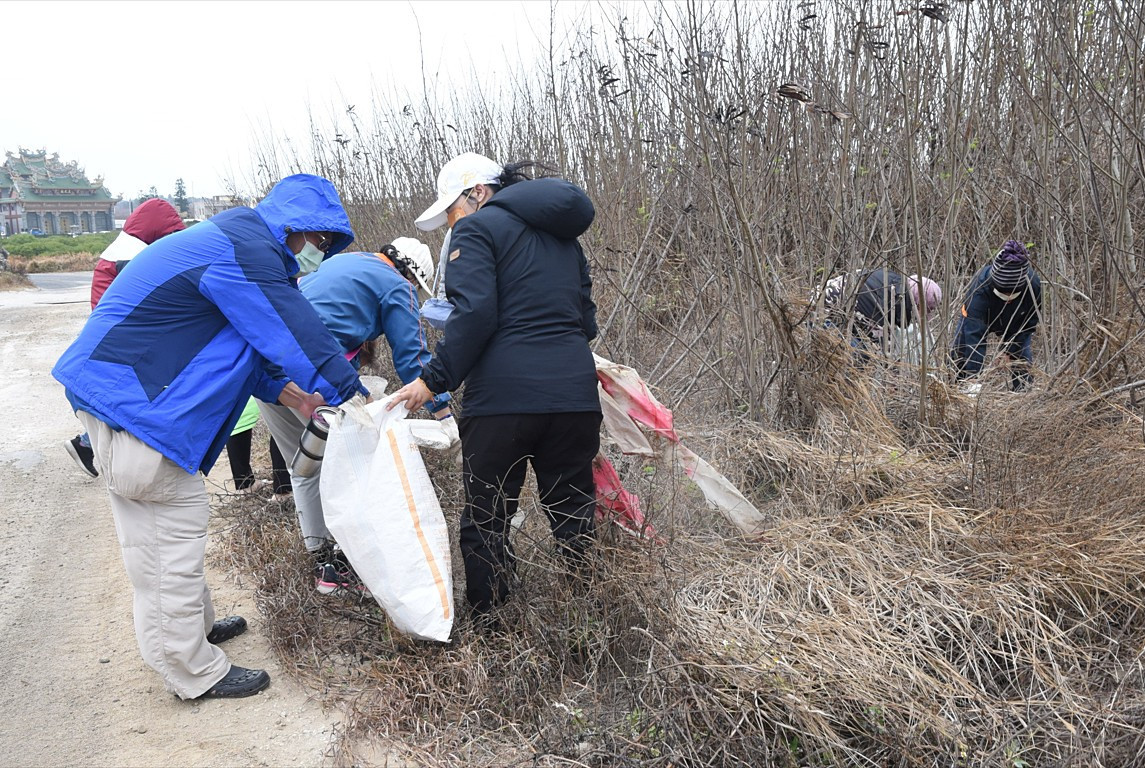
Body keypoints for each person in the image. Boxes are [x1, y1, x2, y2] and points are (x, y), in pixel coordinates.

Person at [52, 174, 370, 701]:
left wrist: (294, 396)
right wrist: (350, 394)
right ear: (297, 226)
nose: (319, 253)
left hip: (133, 398)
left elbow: (246, 342)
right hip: (136, 405)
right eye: (319, 241)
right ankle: (192, 670)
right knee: (166, 536)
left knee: (168, 530)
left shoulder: (235, 242)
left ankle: (191, 630)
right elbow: (292, 332)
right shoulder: (244, 248)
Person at [389, 152, 602, 626]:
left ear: (478, 193)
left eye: (452, 210)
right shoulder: (564, 240)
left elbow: (476, 316)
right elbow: (585, 321)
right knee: (573, 513)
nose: (450, 222)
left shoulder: (477, 230)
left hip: (504, 403)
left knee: (487, 518)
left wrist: (433, 380)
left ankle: (494, 631)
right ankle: (590, 619)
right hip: (574, 396)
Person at [258, 236, 456, 594]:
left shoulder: (344, 263)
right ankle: (344, 566)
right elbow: (412, 360)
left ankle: (322, 564)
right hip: (310, 380)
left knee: (304, 470)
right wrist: (443, 412)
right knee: (353, 471)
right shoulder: (397, 284)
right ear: (412, 276)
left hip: (268, 376)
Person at [65, 198, 186, 478]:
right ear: (157, 232)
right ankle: (87, 445)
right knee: (130, 396)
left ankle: (86, 444)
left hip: (114, 332)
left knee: (121, 394)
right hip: (123, 336)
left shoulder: (122, 253)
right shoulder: (131, 259)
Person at [951, 239, 1042, 391]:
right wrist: (973, 375)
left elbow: (1028, 324)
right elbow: (974, 336)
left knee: (1022, 360)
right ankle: (957, 390)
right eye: (1002, 294)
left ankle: (1022, 395)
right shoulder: (979, 289)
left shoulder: (1033, 286)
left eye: (1011, 295)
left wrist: (1009, 351)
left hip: (1015, 321)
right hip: (981, 317)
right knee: (961, 352)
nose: (1006, 300)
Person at [817, 268, 942, 347]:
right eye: (924, 311)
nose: (916, 318)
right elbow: (879, 352)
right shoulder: (891, 303)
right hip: (821, 318)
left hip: (812, 303)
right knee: (862, 354)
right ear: (918, 303)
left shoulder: (890, 279)